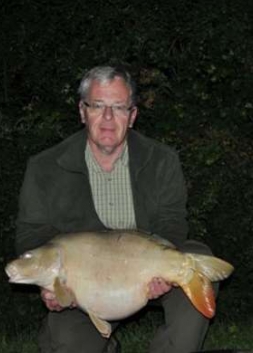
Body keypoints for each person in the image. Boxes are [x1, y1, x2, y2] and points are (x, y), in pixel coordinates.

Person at [15, 65, 216, 353]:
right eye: (98, 106)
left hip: (144, 271)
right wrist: (50, 286)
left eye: (119, 107)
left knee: (198, 261)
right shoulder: (44, 167)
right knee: (67, 343)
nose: (108, 117)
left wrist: (160, 271)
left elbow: (173, 223)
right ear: (82, 112)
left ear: (132, 116)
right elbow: (31, 235)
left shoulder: (162, 160)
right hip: (82, 287)